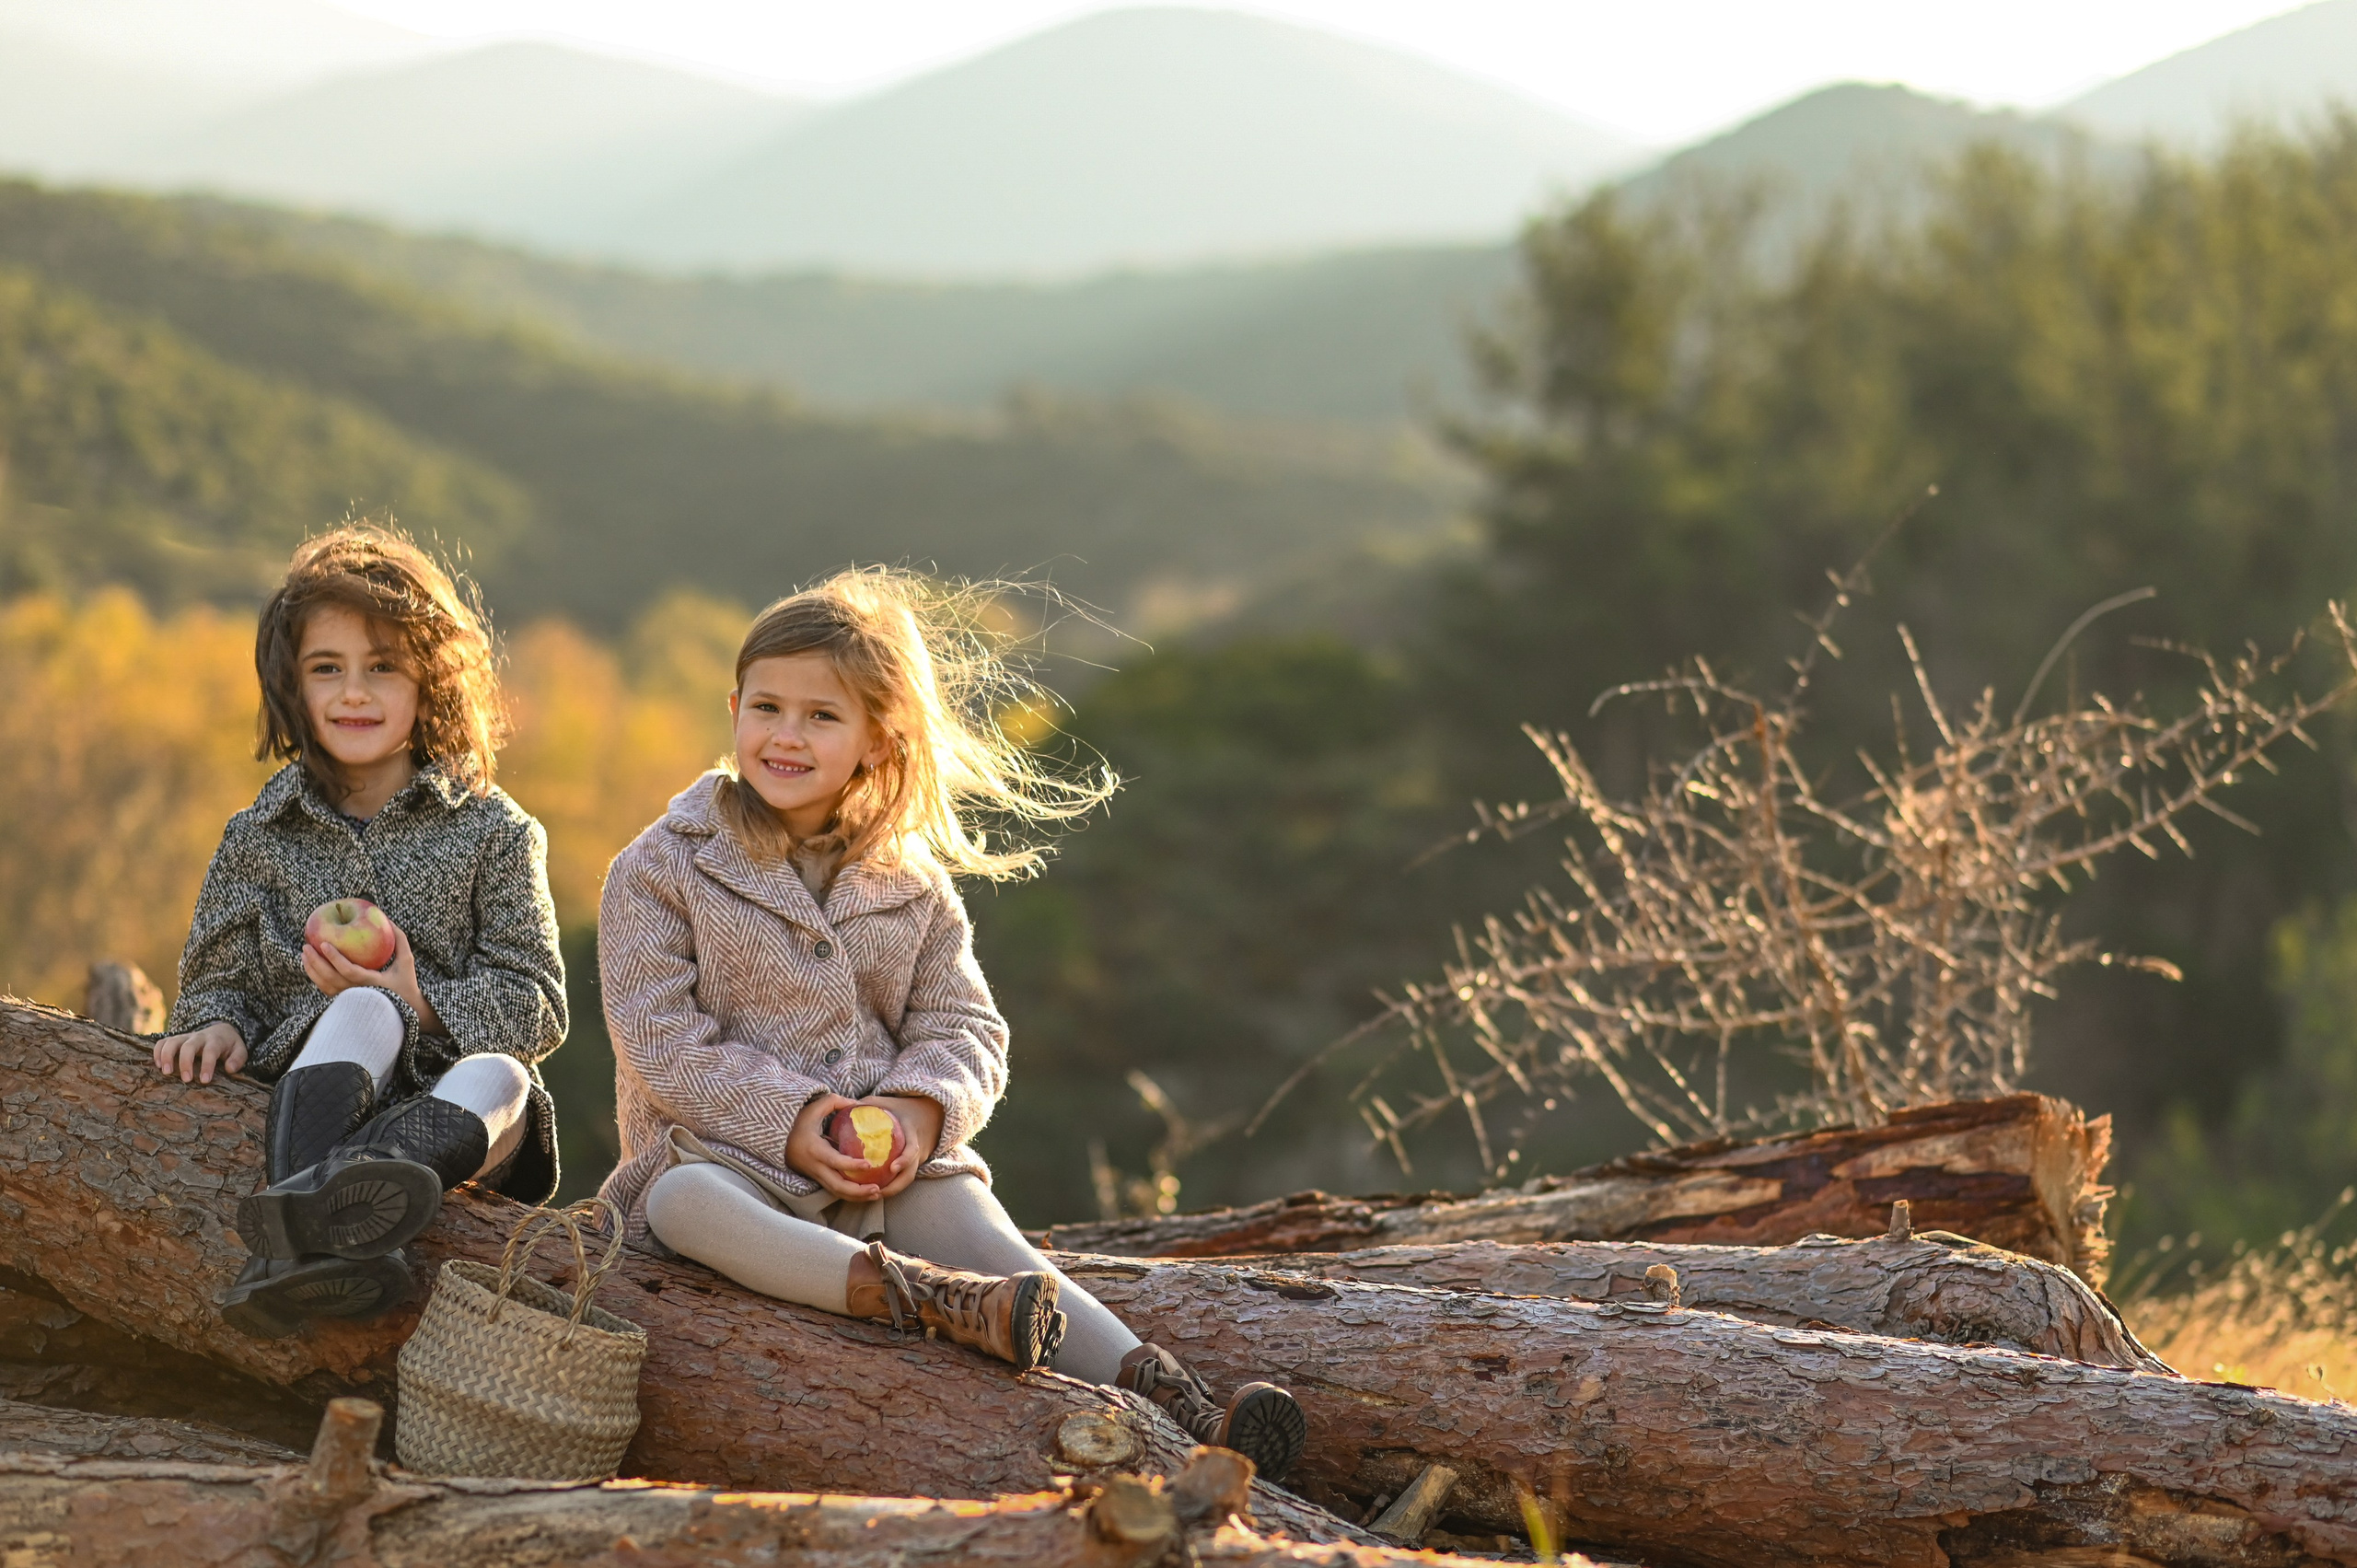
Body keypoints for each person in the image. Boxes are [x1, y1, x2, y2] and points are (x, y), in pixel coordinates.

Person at [597, 569, 1309, 1481]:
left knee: (986, 1233)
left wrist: (917, 1115)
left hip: (887, 1169)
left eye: (822, 716)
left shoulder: (910, 881)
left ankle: (1181, 1399)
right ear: (733, 707)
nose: (786, 733)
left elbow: (964, 1024)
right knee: (676, 1206)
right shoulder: (661, 867)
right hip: (723, 1159)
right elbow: (657, 1037)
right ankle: (930, 1299)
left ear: (876, 738)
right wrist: (802, 1123)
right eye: (767, 705)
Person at [152, 527, 566, 1339]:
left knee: (506, 1074)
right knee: (364, 1014)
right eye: (326, 669)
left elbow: (540, 1005)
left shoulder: (496, 831)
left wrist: (422, 999)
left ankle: (299, 1240)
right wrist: (216, 1022)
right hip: (318, 1091)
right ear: (292, 686)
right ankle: (337, 1232)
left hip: (457, 1116)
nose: (355, 692)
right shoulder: (257, 835)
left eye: (383, 667)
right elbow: (215, 975)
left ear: (430, 684)